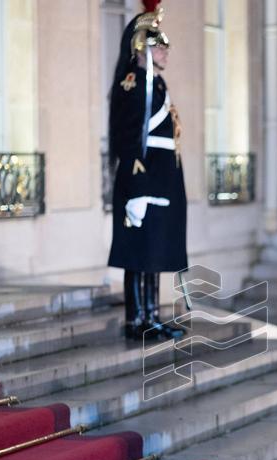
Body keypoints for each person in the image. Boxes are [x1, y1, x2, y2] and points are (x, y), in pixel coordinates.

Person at [107, 0, 187, 341]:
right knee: (138, 251)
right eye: (160, 44)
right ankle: (135, 318)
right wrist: (137, 188)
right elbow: (127, 137)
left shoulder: (156, 84)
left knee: (154, 249)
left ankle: (152, 315)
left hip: (161, 176)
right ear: (143, 45)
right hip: (143, 177)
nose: (167, 49)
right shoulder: (133, 82)